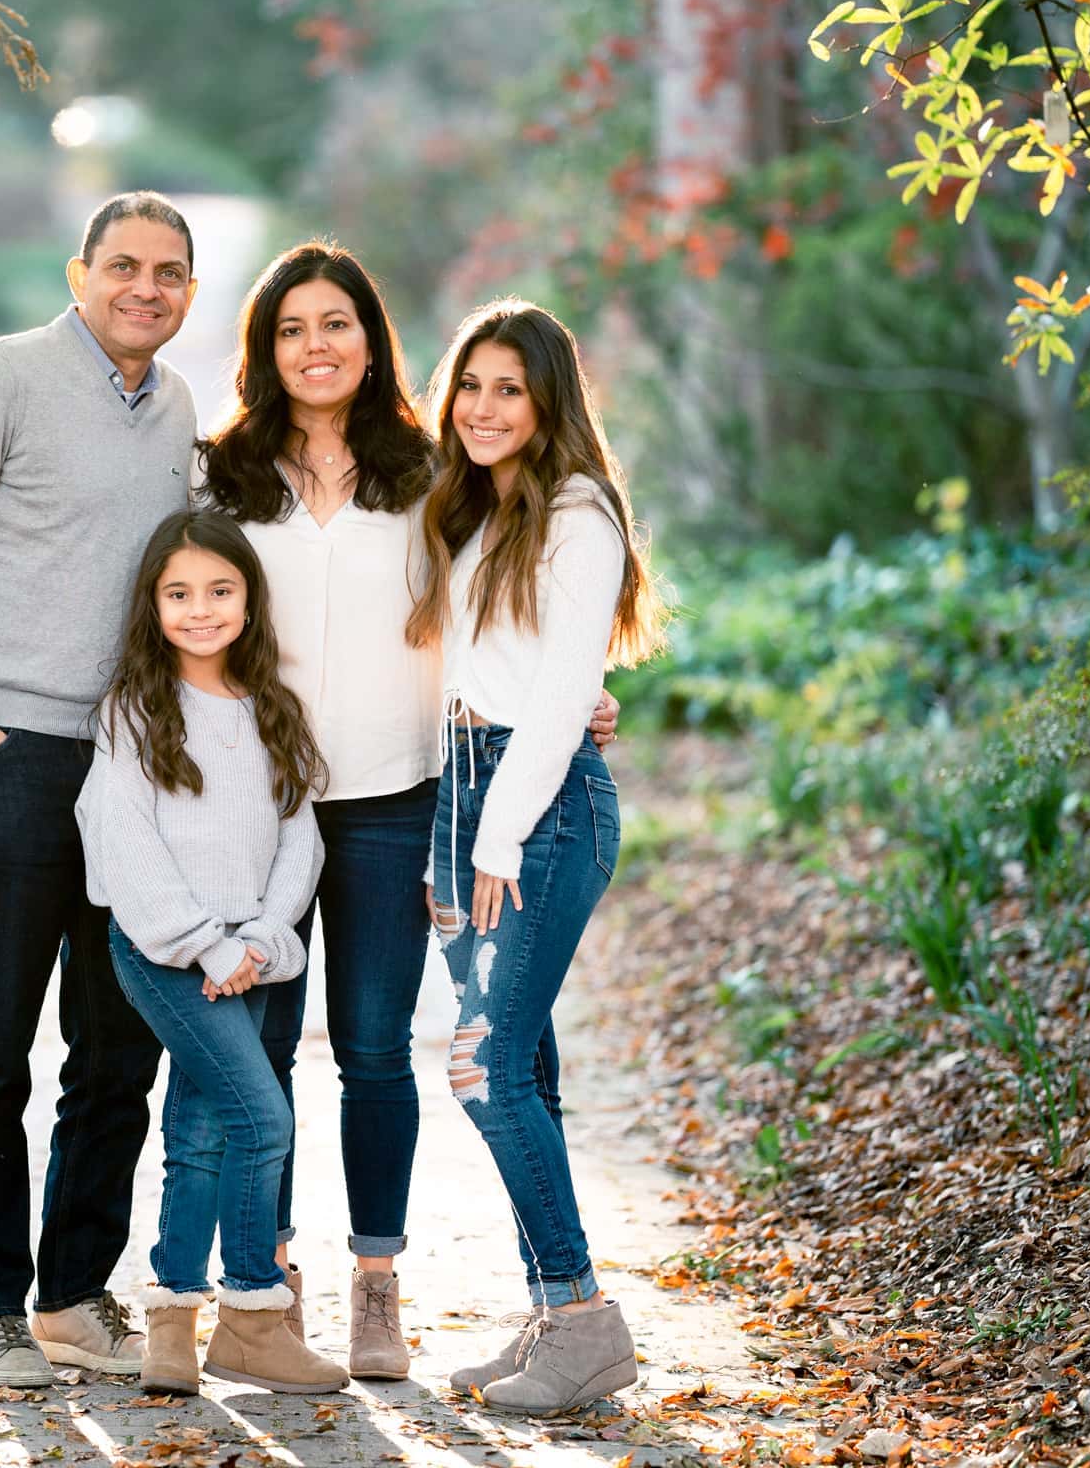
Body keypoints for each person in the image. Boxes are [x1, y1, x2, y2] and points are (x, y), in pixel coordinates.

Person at [194, 243, 619, 1379]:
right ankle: (263, 1286)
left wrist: (572, 697)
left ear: (373, 341)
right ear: (265, 348)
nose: (316, 345)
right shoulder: (222, 476)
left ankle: (375, 1287)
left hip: (398, 802)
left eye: (338, 323)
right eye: (292, 328)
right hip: (264, 802)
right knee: (262, 1049)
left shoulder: (432, 468)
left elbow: (517, 603)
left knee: (377, 1050)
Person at [0, 192, 200, 1387]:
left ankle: (72, 1293)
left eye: (169, 272)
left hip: (135, 770)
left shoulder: (177, 410)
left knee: (118, 1050)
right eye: (123, 266)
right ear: (79, 274)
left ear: (189, 294)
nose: (145, 288)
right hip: (11, 760)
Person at [406, 299, 666, 1415]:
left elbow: (562, 695)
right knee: (526, 1071)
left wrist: (497, 836)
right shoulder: (476, 508)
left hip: (538, 810)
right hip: (466, 797)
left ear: (550, 398)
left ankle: (584, 1320)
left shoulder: (577, 512)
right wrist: (453, 832)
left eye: (509, 388)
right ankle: (552, 1309)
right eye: (470, 384)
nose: (482, 407)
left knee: (482, 1064)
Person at [77, 510, 344, 1397]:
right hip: (166, 955)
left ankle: (172, 1327)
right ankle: (254, 1314)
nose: (201, 610)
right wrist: (203, 945)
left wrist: (262, 940)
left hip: (253, 957)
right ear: (153, 606)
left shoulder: (273, 708)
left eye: (220, 591)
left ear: (248, 599)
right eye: (179, 594)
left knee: (199, 1132)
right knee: (263, 1120)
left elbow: (299, 836)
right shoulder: (133, 714)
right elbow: (124, 845)